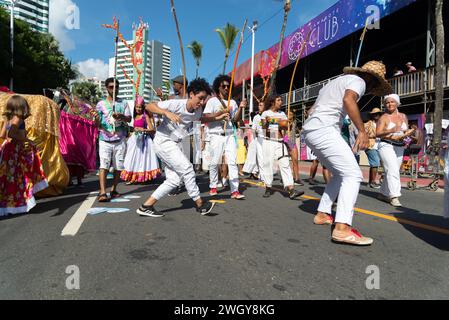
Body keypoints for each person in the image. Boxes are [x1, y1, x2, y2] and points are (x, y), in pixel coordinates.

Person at [303, 60, 393, 246]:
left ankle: (322, 213)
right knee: (353, 175)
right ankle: (342, 228)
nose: (371, 90)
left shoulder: (334, 83)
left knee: (339, 174)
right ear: (371, 79)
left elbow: (312, 110)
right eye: (374, 85)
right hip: (324, 129)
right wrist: (361, 130)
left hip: (312, 130)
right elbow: (348, 100)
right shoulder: (358, 81)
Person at [137, 78, 216, 217]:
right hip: (163, 142)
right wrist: (166, 113)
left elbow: (202, 119)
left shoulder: (198, 110)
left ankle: (146, 206)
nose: (202, 102)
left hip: (173, 144)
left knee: (174, 180)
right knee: (187, 170)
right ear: (191, 94)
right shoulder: (175, 104)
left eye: (204, 100)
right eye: (200, 98)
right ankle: (200, 204)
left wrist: (219, 116)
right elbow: (149, 106)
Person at [0, 95, 48, 216]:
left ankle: (8, 205)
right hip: (15, 152)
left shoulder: (8, 118)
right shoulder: (18, 119)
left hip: (7, 150)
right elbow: (11, 133)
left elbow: (2, 135)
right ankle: (16, 203)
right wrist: (24, 139)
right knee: (18, 177)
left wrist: (22, 139)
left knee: (8, 178)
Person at [202, 75, 247, 200]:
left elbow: (236, 120)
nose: (226, 88)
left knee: (232, 162)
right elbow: (205, 118)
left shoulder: (232, 102)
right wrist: (220, 115)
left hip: (229, 135)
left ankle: (235, 190)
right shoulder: (212, 101)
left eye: (228, 86)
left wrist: (241, 108)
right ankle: (213, 186)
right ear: (218, 87)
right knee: (214, 162)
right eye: (224, 86)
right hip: (215, 135)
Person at [95, 78, 132, 202]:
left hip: (120, 139)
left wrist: (120, 116)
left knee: (118, 166)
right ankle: (102, 192)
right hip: (104, 139)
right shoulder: (100, 104)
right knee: (104, 165)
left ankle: (114, 189)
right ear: (106, 88)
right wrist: (95, 119)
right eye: (111, 87)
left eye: (116, 87)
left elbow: (129, 119)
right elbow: (97, 124)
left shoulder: (123, 103)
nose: (114, 89)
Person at [261, 95, 304, 199]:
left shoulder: (282, 114)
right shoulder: (265, 113)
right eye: (278, 100)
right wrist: (275, 122)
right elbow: (263, 126)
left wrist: (272, 121)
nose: (281, 102)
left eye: (281, 100)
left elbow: (285, 126)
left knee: (285, 164)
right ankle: (268, 187)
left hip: (280, 142)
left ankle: (291, 189)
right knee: (268, 165)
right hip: (269, 141)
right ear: (272, 102)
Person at [376, 94, 415, 207]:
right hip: (386, 145)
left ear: (397, 103)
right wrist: (391, 130)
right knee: (393, 169)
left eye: (392, 102)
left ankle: (383, 193)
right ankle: (394, 196)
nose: (390, 104)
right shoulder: (383, 117)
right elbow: (377, 133)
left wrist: (409, 133)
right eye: (387, 102)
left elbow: (405, 131)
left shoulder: (403, 116)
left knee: (393, 170)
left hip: (399, 145)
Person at [120, 96, 160, 184]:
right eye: (137, 106)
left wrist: (143, 130)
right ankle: (133, 177)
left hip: (144, 141)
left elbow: (152, 130)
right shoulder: (135, 116)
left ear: (143, 107)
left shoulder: (145, 116)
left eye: (140, 107)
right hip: (134, 141)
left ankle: (144, 177)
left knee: (143, 160)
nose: (138, 108)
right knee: (132, 158)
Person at [364, 108, 383, 188]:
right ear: (372, 115)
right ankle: (373, 182)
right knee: (375, 163)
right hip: (371, 145)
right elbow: (363, 134)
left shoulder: (381, 124)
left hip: (379, 146)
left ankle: (370, 182)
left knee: (373, 165)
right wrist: (375, 135)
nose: (376, 115)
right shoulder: (368, 124)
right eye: (374, 114)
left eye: (378, 114)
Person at [285, 111, 304, 186]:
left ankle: (296, 178)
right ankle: (287, 178)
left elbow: (296, 129)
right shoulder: (284, 122)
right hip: (286, 141)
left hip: (292, 141)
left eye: (291, 115)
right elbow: (284, 133)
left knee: (295, 160)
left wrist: (299, 132)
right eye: (288, 114)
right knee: (286, 162)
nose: (290, 116)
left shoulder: (294, 121)